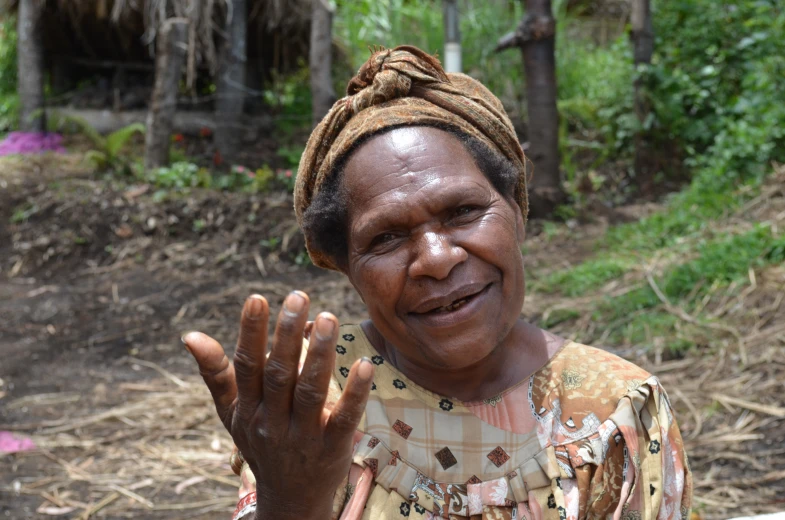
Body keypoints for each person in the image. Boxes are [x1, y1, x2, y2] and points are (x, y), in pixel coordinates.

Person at [182, 46, 692, 520]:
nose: (436, 259)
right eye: (385, 238)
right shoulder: (313, 400)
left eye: (464, 211)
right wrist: (290, 501)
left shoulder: (617, 411)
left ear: (517, 211)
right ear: (344, 264)